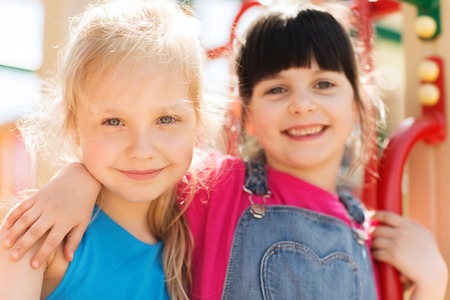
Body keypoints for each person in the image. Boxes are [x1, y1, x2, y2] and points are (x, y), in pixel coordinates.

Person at [1, 2, 447, 299]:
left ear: (358, 99)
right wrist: (75, 178)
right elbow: (144, 158)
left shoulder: (370, 233)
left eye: (324, 84)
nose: (303, 104)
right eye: (276, 89)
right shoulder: (221, 187)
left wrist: (432, 279)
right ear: (244, 113)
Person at [0, 0, 224, 299]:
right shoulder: (43, 238)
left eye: (166, 119)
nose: (142, 150)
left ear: (198, 121)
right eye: (114, 121)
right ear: (74, 125)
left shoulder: (198, 234)